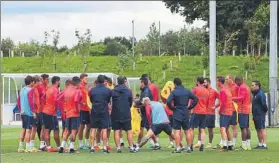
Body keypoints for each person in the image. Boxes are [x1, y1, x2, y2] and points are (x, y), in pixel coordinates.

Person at [167, 78, 198, 153]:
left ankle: (178, 148)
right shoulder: (187, 91)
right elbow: (196, 98)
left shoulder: (174, 92)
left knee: (177, 131)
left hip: (177, 111)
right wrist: (190, 107)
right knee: (187, 130)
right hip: (185, 111)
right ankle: (189, 148)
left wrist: (172, 108)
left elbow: (168, 101)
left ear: (175, 84)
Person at [111, 76, 135, 153]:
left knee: (117, 131)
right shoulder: (128, 91)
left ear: (118, 82)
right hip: (126, 113)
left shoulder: (113, 91)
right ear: (124, 81)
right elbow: (130, 102)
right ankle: (131, 147)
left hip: (116, 113)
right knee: (128, 130)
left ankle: (118, 147)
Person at [58, 77, 81, 153]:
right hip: (74, 113)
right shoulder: (77, 91)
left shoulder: (66, 90)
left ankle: (61, 146)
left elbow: (58, 98)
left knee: (67, 130)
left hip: (67, 112)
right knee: (74, 131)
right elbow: (76, 100)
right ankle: (71, 148)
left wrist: (65, 106)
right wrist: (77, 110)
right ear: (78, 83)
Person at [194, 78, 219, 149]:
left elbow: (221, 98)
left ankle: (210, 143)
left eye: (205, 82)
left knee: (210, 129)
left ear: (208, 82)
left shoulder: (214, 91)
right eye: (203, 82)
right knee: (200, 128)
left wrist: (216, 106)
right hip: (203, 112)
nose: (203, 84)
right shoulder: (202, 91)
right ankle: (199, 142)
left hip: (211, 113)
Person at [89, 75, 112, 154]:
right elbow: (108, 100)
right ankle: (105, 148)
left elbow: (91, 99)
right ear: (104, 81)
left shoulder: (92, 90)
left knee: (93, 129)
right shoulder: (108, 90)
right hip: (104, 110)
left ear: (97, 81)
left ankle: (92, 147)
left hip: (95, 110)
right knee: (104, 129)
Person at [136, 77, 156, 151]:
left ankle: (138, 143)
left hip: (146, 112)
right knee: (149, 129)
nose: (140, 84)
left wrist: (137, 104)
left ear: (143, 83)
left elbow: (145, 102)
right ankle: (155, 143)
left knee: (144, 128)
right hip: (145, 112)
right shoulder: (144, 90)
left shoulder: (146, 91)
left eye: (140, 82)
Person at [189, 77, 209, 152]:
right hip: (204, 111)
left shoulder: (195, 89)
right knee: (202, 129)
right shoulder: (207, 91)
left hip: (196, 111)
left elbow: (191, 100)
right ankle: (202, 145)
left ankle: (190, 145)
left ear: (197, 82)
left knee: (191, 129)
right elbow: (207, 102)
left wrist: (190, 108)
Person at [41, 76, 61, 152]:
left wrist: (46, 105)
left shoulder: (49, 89)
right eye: (59, 81)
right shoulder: (55, 90)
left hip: (46, 111)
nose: (59, 83)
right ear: (56, 81)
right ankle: (59, 147)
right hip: (51, 113)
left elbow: (43, 98)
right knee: (56, 130)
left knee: (47, 130)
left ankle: (49, 147)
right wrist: (55, 109)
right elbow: (56, 100)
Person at [17, 76, 36, 153]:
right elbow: (31, 102)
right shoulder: (30, 90)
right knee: (29, 130)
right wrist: (34, 112)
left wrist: (20, 109)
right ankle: (28, 147)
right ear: (31, 82)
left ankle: (20, 146)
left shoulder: (22, 90)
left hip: (23, 112)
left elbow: (18, 101)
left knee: (24, 129)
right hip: (29, 113)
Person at [233, 76, 251, 150]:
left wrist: (232, 98)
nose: (235, 84)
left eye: (236, 82)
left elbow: (241, 97)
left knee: (243, 127)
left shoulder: (242, 87)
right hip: (246, 109)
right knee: (246, 127)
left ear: (238, 81)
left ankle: (244, 145)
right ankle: (248, 144)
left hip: (242, 110)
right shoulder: (246, 87)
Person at [217, 76, 234, 152]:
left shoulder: (222, 91)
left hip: (225, 111)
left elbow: (223, 103)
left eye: (217, 81)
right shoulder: (227, 90)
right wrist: (215, 106)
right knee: (227, 128)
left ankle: (224, 146)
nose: (216, 83)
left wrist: (220, 111)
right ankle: (230, 144)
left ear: (220, 82)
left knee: (222, 128)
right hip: (230, 111)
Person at [221, 74, 238, 148]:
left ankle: (233, 142)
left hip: (234, 108)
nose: (226, 81)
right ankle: (226, 142)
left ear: (231, 79)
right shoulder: (226, 87)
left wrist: (231, 99)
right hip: (228, 108)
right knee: (226, 126)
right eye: (225, 79)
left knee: (233, 126)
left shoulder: (236, 87)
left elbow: (239, 97)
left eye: (227, 79)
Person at [251, 81, 268, 149]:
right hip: (255, 114)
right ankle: (260, 144)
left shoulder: (261, 93)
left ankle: (264, 144)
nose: (251, 87)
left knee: (262, 129)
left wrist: (263, 111)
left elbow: (264, 104)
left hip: (260, 114)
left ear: (257, 86)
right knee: (258, 129)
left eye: (253, 85)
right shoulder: (255, 94)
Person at [78, 73, 91, 150]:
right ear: (81, 79)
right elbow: (77, 98)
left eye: (87, 78)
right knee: (82, 126)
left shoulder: (86, 88)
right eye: (86, 78)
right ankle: (80, 143)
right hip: (82, 109)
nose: (87, 80)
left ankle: (86, 142)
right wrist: (81, 103)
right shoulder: (79, 87)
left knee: (89, 126)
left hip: (88, 109)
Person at [29, 75, 41, 152]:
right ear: (36, 82)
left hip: (37, 111)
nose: (40, 82)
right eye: (39, 81)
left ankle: (31, 145)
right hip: (35, 111)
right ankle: (31, 145)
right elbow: (33, 102)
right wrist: (34, 111)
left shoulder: (35, 89)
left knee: (35, 128)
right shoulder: (33, 89)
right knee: (34, 128)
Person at [38, 74, 49, 151]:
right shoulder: (40, 87)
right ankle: (42, 145)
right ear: (43, 79)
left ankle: (43, 143)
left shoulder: (47, 87)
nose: (48, 80)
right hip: (42, 110)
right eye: (47, 79)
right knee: (43, 127)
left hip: (47, 110)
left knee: (46, 127)